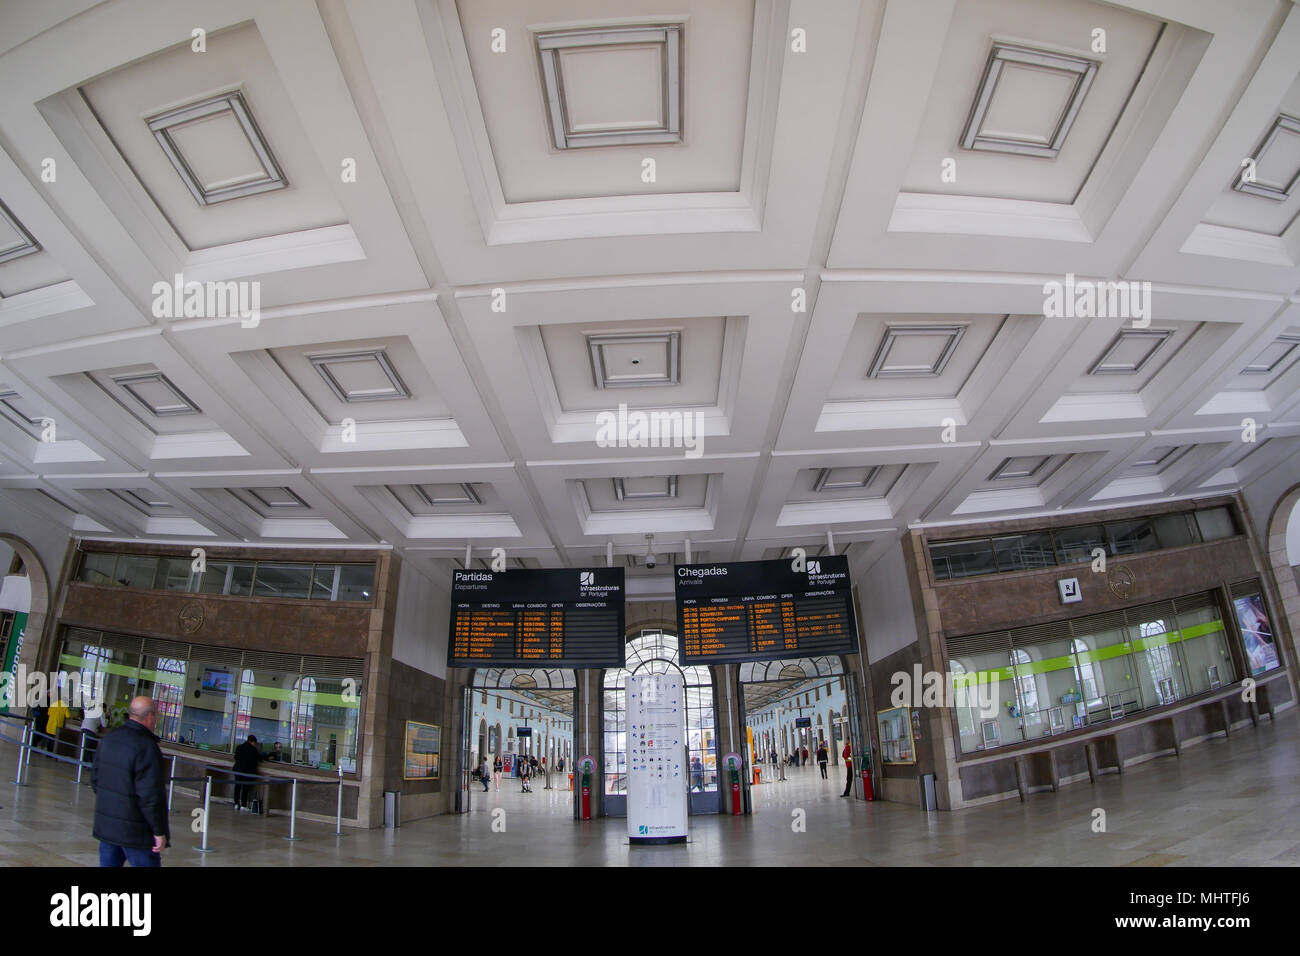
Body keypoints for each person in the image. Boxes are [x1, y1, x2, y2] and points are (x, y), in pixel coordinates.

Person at [92, 696, 170, 866]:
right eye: (157, 715)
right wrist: (159, 831)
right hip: (136, 832)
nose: (157, 720)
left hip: (108, 827)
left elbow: (96, 779)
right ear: (149, 717)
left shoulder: (109, 739)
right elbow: (150, 795)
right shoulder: (147, 747)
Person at [232, 734, 263, 811]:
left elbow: (235, 757)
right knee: (245, 788)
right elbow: (259, 759)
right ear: (252, 742)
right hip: (247, 771)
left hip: (238, 770)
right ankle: (243, 804)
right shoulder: (253, 750)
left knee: (237, 787)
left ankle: (236, 803)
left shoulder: (239, 747)